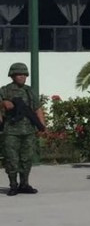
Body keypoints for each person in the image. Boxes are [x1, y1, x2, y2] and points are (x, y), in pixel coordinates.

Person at [1, 62, 45, 195]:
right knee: (12, 159)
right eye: (19, 74)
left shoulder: (29, 91)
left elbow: (37, 108)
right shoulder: (5, 90)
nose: (22, 77)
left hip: (28, 131)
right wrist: (3, 103)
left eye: (24, 75)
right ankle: (13, 185)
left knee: (27, 159)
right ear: (12, 76)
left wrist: (42, 126)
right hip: (11, 131)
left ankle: (24, 184)